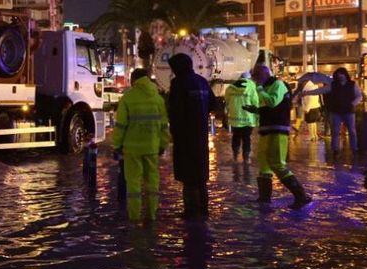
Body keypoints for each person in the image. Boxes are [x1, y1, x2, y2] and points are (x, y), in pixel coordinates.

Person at [245, 64, 312, 208]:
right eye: (254, 76)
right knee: (264, 164)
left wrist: (260, 89)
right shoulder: (267, 87)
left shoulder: (278, 85)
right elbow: (269, 107)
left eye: (257, 75)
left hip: (278, 129)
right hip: (266, 129)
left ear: (265, 74)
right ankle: (264, 198)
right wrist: (256, 110)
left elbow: (272, 102)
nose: (255, 79)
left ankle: (301, 196)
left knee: (277, 163)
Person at [111, 68, 170, 223]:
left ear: (133, 80)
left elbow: (121, 126)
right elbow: (164, 126)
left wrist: (117, 145)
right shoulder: (157, 99)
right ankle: (151, 216)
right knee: (152, 182)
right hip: (152, 147)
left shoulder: (128, 98)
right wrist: (163, 144)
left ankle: (134, 218)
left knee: (133, 184)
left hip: (132, 149)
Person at [166, 53, 215, 219]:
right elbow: (213, 103)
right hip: (201, 134)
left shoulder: (178, 83)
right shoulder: (202, 81)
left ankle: (191, 211)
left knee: (188, 176)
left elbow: (176, 110)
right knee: (200, 176)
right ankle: (204, 209)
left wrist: (174, 131)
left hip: (185, 135)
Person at [300, 67, 362, 157]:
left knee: (351, 131)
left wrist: (353, 104)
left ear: (345, 75)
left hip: (348, 111)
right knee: (336, 131)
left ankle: (354, 149)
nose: (340, 76)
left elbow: (359, 96)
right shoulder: (334, 85)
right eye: (338, 75)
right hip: (337, 111)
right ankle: (336, 150)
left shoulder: (352, 84)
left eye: (341, 74)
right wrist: (308, 93)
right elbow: (321, 90)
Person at [223, 72, 259, 162]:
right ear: (249, 79)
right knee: (246, 138)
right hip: (248, 118)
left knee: (236, 136)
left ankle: (235, 155)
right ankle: (246, 157)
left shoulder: (230, 88)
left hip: (235, 118)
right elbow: (255, 102)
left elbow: (227, 101)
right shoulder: (251, 87)